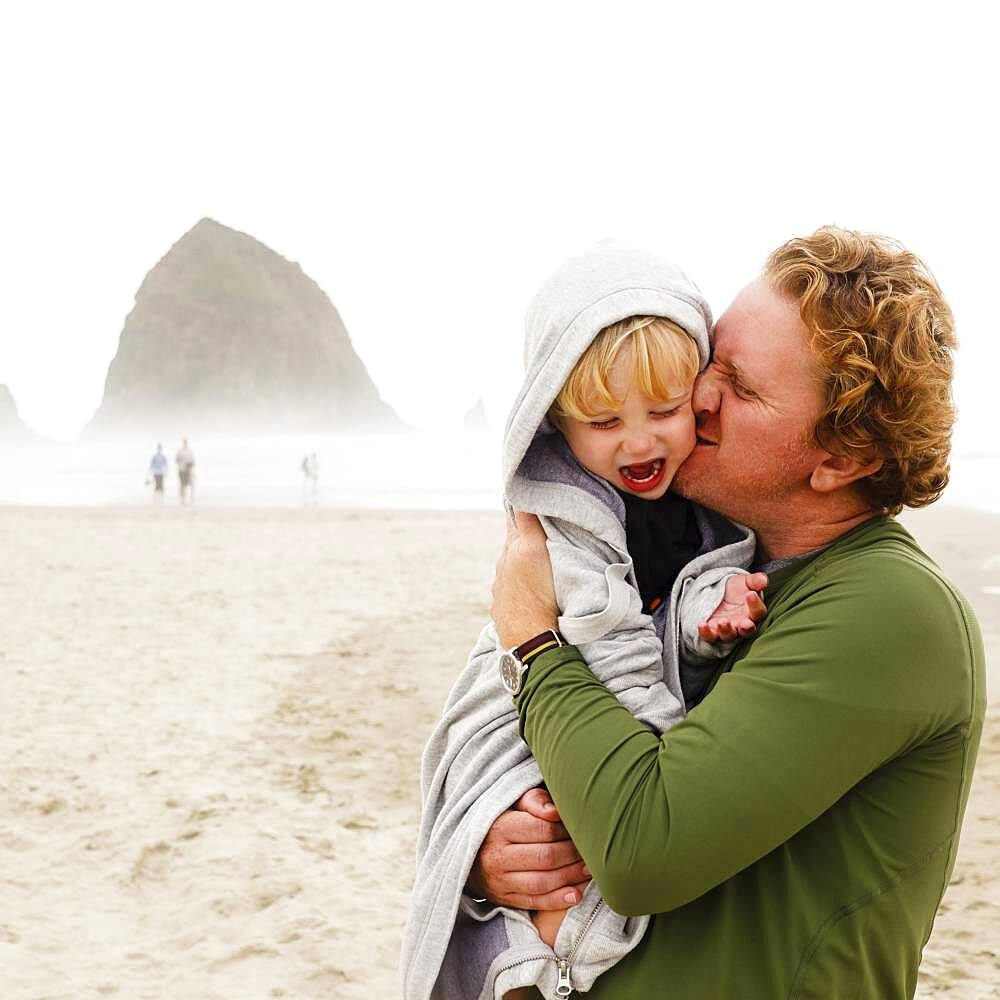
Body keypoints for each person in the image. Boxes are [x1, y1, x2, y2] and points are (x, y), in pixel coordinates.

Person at [478, 226, 985, 998]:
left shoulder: (893, 610)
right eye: (711, 360)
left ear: (841, 460)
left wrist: (533, 644)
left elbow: (643, 847)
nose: (697, 395)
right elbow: (602, 779)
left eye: (742, 387)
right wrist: (503, 852)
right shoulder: (704, 574)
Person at [403, 242, 770, 1000]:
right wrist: (672, 771)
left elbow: (676, 599)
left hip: (591, 710)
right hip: (543, 708)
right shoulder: (565, 520)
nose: (638, 442)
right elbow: (615, 647)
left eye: (664, 412)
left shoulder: (702, 507)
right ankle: (538, 966)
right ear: (556, 424)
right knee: (545, 867)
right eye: (603, 420)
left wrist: (710, 613)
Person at [176, 438, 195, 505]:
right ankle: (182, 499)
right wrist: (180, 460)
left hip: (188, 470)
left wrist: (191, 470)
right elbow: (176, 460)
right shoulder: (180, 451)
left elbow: (193, 462)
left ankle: (189, 499)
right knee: (182, 485)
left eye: (185, 442)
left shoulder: (189, 451)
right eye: (184, 442)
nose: (184, 443)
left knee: (189, 484)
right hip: (181, 469)